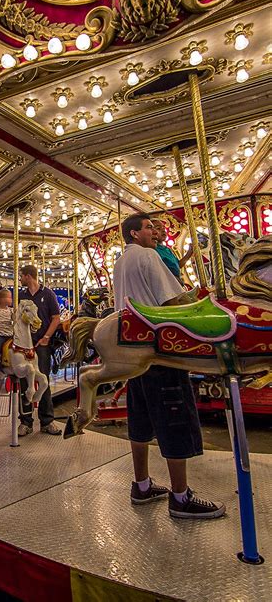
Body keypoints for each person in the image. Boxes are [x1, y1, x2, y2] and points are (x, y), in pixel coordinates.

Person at [113, 213, 225, 519]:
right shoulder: (149, 257)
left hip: (134, 351)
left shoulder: (120, 262)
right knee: (175, 418)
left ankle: (142, 485)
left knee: (140, 418)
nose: (155, 232)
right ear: (134, 233)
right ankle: (180, 497)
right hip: (161, 348)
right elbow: (171, 302)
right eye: (149, 227)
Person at [17, 265, 62, 436]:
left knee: (43, 380)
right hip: (24, 345)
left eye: (21, 276)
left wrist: (47, 337)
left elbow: (56, 318)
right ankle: (26, 421)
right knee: (24, 382)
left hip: (41, 344)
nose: (20, 279)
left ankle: (47, 420)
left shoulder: (48, 294)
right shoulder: (21, 296)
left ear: (28, 276)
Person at [151, 219, 193, 283]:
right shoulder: (153, 250)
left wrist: (189, 253)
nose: (163, 230)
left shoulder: (167, 249)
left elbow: (177, 265)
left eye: (163, 228)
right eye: (158, 228)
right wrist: (173, 278)